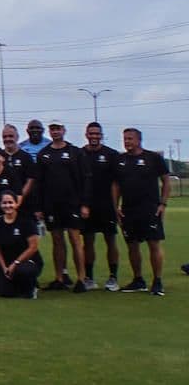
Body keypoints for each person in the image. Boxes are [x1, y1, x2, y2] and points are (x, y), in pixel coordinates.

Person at [112, 127, 169, 295]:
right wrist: (116, 207)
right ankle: (138, 280)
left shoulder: (153, 158)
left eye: (130, 138)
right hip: (129, 210)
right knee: (132, 246)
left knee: (154, 244)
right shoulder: (120, 160)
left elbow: (166, 180)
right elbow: (115, 185)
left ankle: (157, 281)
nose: (127, 142)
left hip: (150, 209)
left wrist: (163, 204)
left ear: (138, 140)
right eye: (125, 139)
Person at [78, 121, 122, 291]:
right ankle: (89, 277)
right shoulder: (80, 154)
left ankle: (113, 277)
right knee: (88, 241)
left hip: (107, 206)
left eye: (97, 134)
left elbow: (117, 182)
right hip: (87, 206)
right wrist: (83, 204)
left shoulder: (111, 154)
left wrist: (116, 205)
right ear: (86, 135)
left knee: (110, 240)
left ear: (101, 135)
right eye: (91, 133)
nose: (94, 136)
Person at [0, 192, 42, 299]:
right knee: (5, 293)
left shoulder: (26, 221)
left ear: (16, 203)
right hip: (8, 263)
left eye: (10, 202)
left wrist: (15, 263)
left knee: (24, 271)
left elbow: (33, 247)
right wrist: (3, 267)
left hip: (27, 261)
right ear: (0, 204)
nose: (7, 206)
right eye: (4, 203)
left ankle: (32, 286)